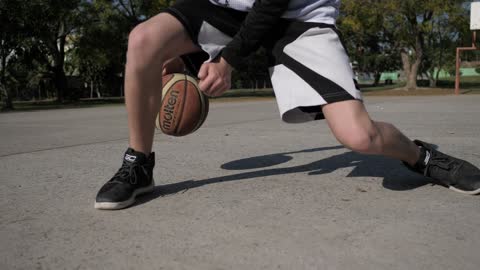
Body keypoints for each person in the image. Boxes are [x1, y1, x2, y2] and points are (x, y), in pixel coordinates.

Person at [94, 0, 480, 210]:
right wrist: (185, 55)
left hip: (299, 16)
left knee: (360, 136)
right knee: (144, 39)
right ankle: (138, 165)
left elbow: (272, 5)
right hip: (226, 10)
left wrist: (227, 61)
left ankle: (422, 157)